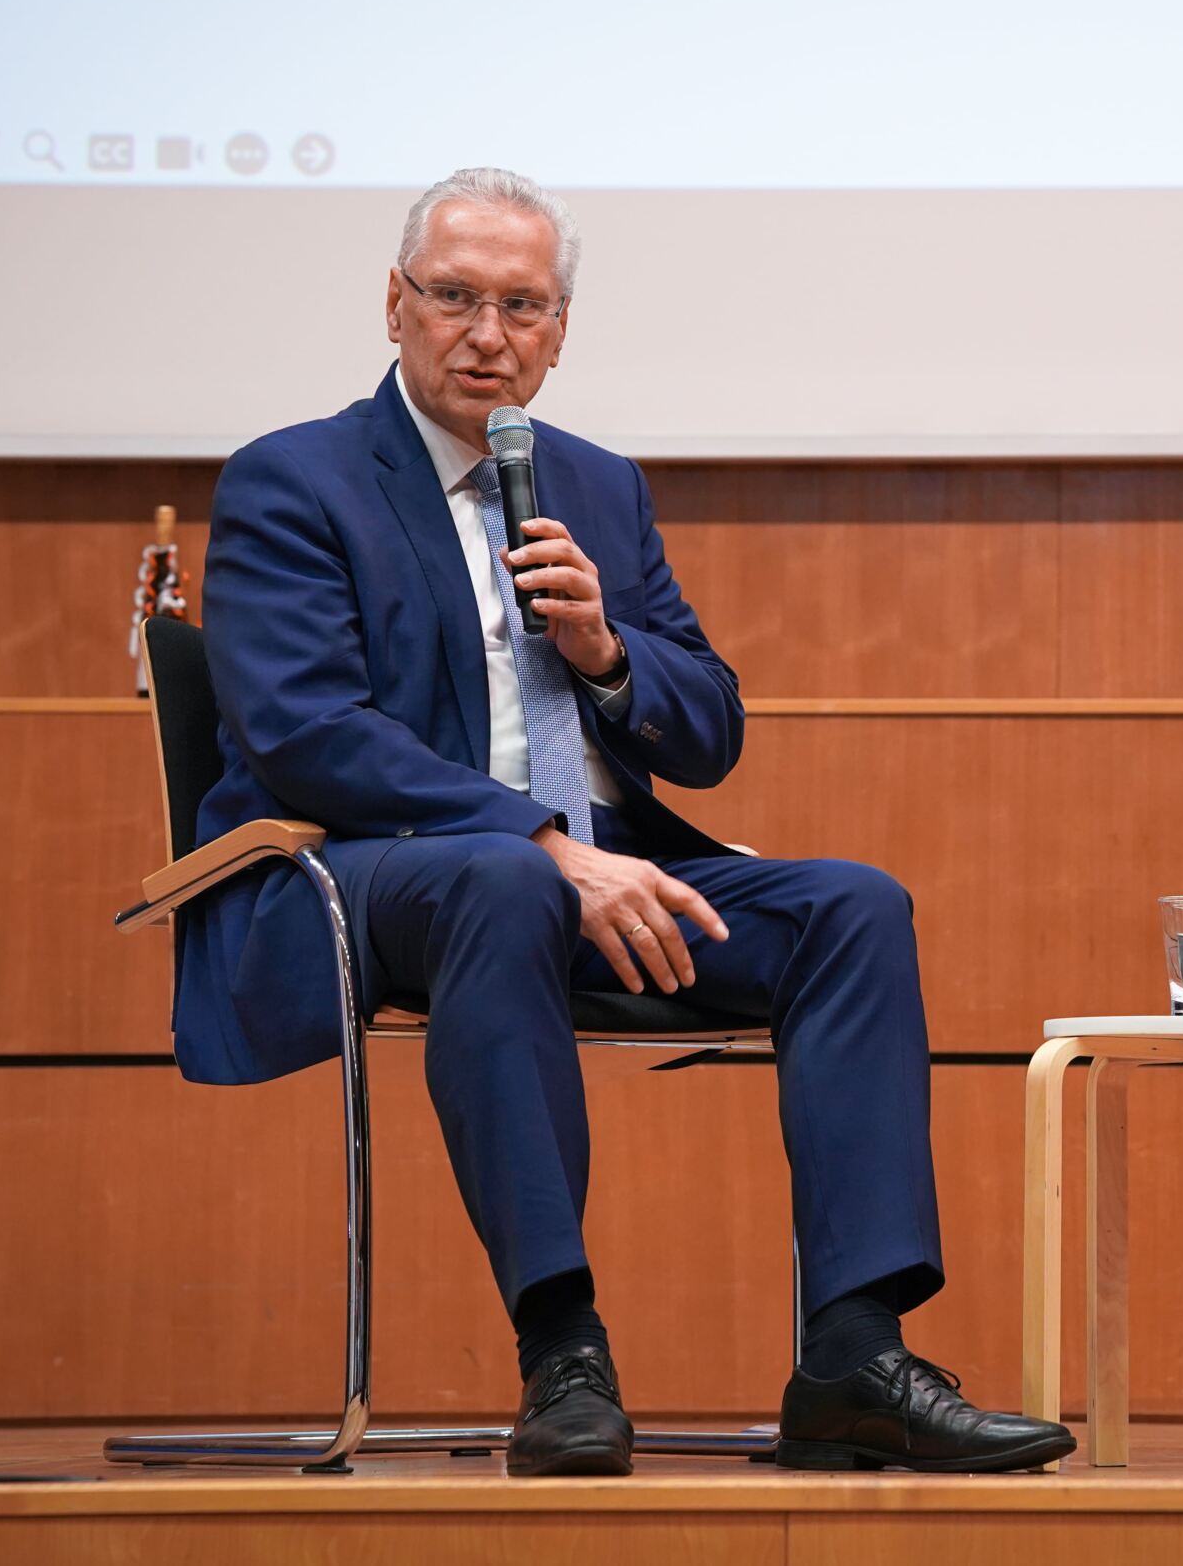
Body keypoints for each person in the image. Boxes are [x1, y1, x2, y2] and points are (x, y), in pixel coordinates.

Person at [180, 166, 1073, 1478]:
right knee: (500, 877)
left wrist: (605, 649)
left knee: (853, 906)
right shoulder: (295, 479)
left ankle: (852, 1355)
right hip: (368, 880)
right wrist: (545, 842)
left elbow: (709, 725)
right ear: (394, 304)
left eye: (524, 306)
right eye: (457, 298)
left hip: (589, 878)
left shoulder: (593, 485)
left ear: (559, 328)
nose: (490, 334)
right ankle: (564, 1353)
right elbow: (307, 732)